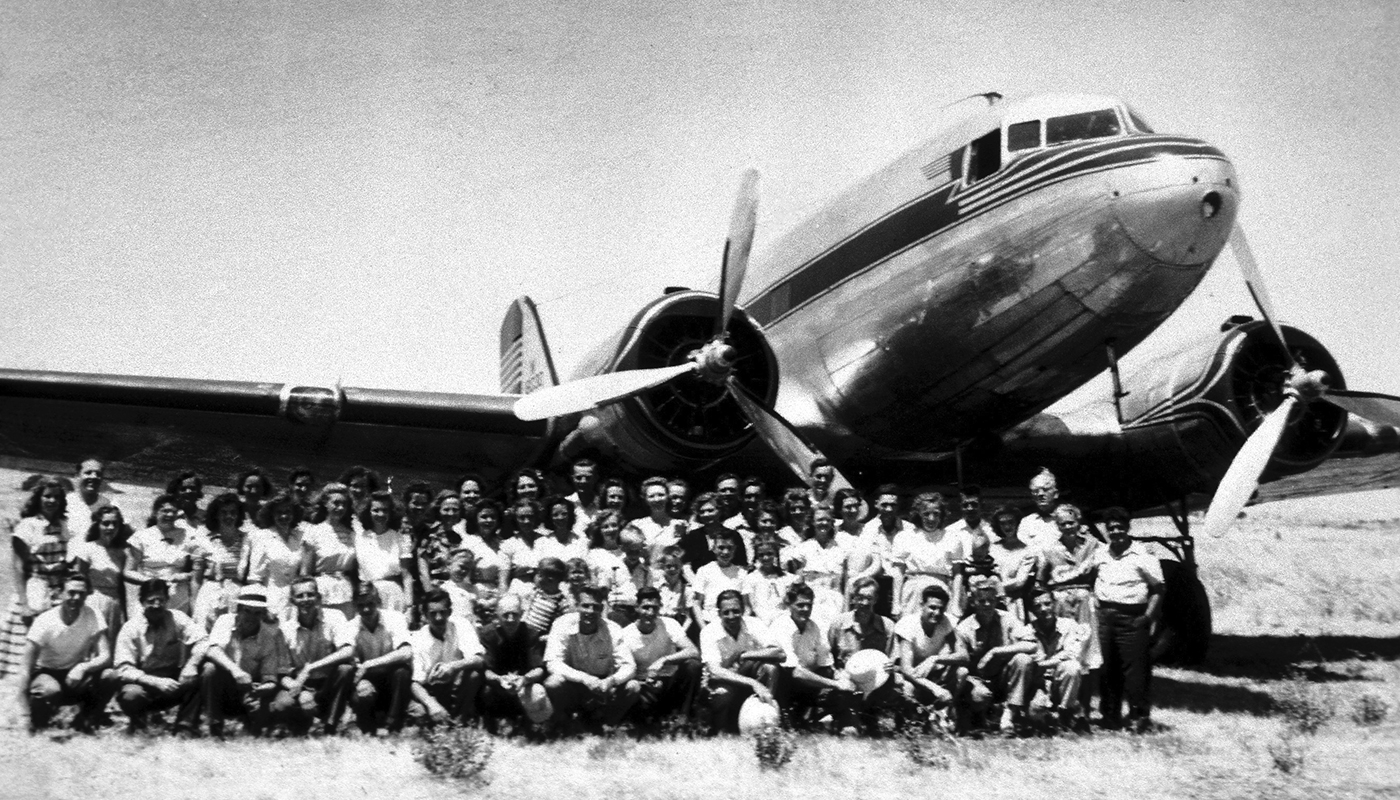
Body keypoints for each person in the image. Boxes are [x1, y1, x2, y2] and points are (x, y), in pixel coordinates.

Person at [1052, 507, 1163, 732]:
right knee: (1106, 669)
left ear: (1128, 528)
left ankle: (1138, 716)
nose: (1116, 532)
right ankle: (1110, 715)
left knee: (1135, 670)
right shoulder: (1101, 553)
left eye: (1120, 527)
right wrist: (1054, 581)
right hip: (1104, 617)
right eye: (1111, 528)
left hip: (1132, 617)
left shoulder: (1143, 555)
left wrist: (1148, 618)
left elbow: (1159, 589)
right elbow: (1082, 574)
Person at [109, 578, 206, 735]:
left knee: (201, 673)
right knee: (131, 694)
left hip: (172, 681)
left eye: (161, 600)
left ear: (167, 600)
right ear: (141, 602)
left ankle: (185, 727)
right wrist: (156, 682)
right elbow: (123, 668)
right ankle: (139, 725)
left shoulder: (177, 618)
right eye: (151, 601)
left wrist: (192, 665)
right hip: (144, 683)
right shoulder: (130, 628)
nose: (156, 605)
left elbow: (203, 640)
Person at [18, 573, 112, 732]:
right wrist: (23, 714)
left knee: (110, 676)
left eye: (81, 593)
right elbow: (25, 669)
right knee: (50, 690)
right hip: (46, 673)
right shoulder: (44, 621)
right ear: (60, 593)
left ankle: (87, 719)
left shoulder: (93, 615)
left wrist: (82, 667)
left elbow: (106, 656)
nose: (76, 597)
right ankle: (39, 722)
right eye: (71, 592)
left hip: (74, 675)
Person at [1, 478, 75, 679]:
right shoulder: (28, 526)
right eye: (47, 496)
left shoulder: (64, 525)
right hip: (35, 588)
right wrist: (24, 604)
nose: (52, 501)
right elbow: (18, 568)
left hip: (58, 590)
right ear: (38, 498)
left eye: (56, 497)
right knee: (28, 645)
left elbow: (69, 559)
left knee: (53, 640)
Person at [202, 586, 297, 737]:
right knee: (209, 669)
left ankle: (251, 724)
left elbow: (270, 677)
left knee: (274, 707)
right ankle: (214, 726)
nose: (251, 617)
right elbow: (212, 650)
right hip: (226, 683)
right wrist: (236, 671)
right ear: (238, 609)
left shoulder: (268, 638)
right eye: (247, 611)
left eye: (257, 613)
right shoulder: (225, 621)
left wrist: (262, 689)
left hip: (250, 689)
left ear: (263, 615)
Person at [542, 585, 638, 731]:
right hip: (574, 683)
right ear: (576, 606)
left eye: (596, 607)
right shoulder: (561, 624)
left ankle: (607, 724)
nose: (590, 612)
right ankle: (566, 723)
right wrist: (584, 678)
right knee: (553, 682)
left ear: (601, 608)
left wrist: (611, 681)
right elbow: (552, 663)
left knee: (633, 687)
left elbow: (629, 666)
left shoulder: (613, 629)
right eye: (585, 606)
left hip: (602, 685)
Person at [767, 583, 857, 731]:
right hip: (785, 685)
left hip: (808, 683)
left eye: (809, 605)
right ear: (789, 604)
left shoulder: (814, 627)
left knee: (841, 691)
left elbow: (826, 665)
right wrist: (834, 684)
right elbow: (795, 672)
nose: (806, 610)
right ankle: (789, 720)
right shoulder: (781, 626)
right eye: (800, 605)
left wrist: (841, 678)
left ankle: (811, 719)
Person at [956, 581, 1037, 734]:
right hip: (977, 680)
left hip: (1003, 677)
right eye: (981, 601)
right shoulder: (964, 628)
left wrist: (995, 651)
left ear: (996, 601)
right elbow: (961, 662)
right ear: (973, 602)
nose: (987, 604)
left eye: (991, 600)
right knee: (979, 696)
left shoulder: (1007, 619)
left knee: (1023, 659)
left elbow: (1031, 645)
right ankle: (977, 715)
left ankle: (1009, 716)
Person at [700, 589, 784, 735]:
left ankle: (765, 724)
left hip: (748, 674)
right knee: (722, 694)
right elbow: (714, 671)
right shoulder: (709, 632)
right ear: (719, 613)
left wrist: (746, 655)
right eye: (726, 612)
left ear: (743, 610)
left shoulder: (754, 624)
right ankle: (721, 731)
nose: (731, 616)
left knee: (770, 668)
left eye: (736, 611)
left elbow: (780, 653)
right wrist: (753, 683)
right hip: (724, 680)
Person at [280, 577, 354, 735]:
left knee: (345, 669)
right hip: (302, 684)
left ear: (319, 597)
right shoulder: (286, 628)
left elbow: (348, 650)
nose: (305, 600)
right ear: (292, 600)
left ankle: (330, 725)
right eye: (300, 596)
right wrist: (298, 690)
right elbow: (281, 672)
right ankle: (303, 725)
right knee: (283, 704)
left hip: (329, 684)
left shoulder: (335, 617)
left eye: (310, 594)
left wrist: (312, 667)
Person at [620, 586, 701, 726]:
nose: (650, 613)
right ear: (637, 607)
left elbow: (693, 651)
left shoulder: (669, 624)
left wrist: (664, 659)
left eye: (655, 608)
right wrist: (645, 682)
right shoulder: (626, 635)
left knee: (692, 665)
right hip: (644, 684)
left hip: (670, 681)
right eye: (646, 607)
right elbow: (623, 670)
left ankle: (682, 719)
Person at [827, 576, 900, 733]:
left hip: (876, 681)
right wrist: (838, 675)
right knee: (850, 732)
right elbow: (828, 657)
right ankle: (846, 719)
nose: (865, 603)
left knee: (900, 686)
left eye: (869, 598)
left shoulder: (887, 626)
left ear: (876, 599)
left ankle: (875, 718)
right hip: (846, 682)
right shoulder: (838, 624)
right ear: (853, 599)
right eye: (860, 598)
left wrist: (891, 666)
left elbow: (893, 657)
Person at [339, 583, 413, 735]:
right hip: (367, 680)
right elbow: (348, 659)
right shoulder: (349, 627)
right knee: (362, 693)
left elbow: (406, 652)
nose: (366, 609)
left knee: (402, 672)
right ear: (354, 606)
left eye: (370, 604)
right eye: (361, 605)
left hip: (391, 679)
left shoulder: (395, 618)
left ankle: (392, 726)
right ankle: (366, 726)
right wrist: (362, 677)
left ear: (379, 601)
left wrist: (369, 664)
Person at [894, 584, 969, 732]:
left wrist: (935, 659)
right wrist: (935, 689)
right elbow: (907, 670)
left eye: (941, 609)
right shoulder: (907, 624)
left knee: (962, 672)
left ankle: (943, 712)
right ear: (922, 605)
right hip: (912, 678)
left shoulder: (946, 622)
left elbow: (964, 656)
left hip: (932, 672)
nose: (937, 613)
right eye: (932, 607)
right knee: (907, 688)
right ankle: (911, 719)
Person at [409, 588, 486, 725]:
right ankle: (441, 717)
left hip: (458, 687)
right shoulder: (418, 638)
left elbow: (479, 659)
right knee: (420, 714)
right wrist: (432, 704)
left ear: (449, 612)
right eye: (433, 614)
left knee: (474, 674)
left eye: (442, 612)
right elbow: (415, 683)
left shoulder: (461, 625)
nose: (438, 618)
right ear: (425, 616)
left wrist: (452, 666)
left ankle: (460, 720)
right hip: (433, 689)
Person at [477, 594, 548, 734]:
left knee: (537, 690)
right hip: (498, 684)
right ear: (497, 615)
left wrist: (525, 679)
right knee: (485, 690)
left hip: (523, 683)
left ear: (522, 614)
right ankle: (489, 725)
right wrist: (499, 679)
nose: (511, 619)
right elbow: (486, 670)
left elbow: (539, 669)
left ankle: (530, 725)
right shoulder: (488, 634)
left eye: (515, 614)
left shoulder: (531, 633)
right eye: (506, 615)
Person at [1021, 589, 1089, 731]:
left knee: (1072, 667)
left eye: (1047, 604)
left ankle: (1066, 713)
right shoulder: (1027, 630)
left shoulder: (1070, 625)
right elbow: (1031, 659)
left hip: (1061, 681)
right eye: (1038, 606)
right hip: (1039, 684)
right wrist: (1055, 660)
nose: (1043, 609)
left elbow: (1072, 653)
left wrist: (1045, 663)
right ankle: (1050, 715)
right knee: (1037, 710)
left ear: (1054, 604)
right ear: (1032, 610)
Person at [890, 492, 967, 619]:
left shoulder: (952, 538)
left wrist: (955, 603)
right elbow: (898, 572)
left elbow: (957, 574)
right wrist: (896, 603)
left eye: (936, 514)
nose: (931, 519)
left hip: (941, 591)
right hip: (913, 591)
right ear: (918, 514)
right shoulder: (905, 537)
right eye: (926, 514)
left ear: (941, 514)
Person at [68, 504, 135, 647]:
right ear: (97, 525)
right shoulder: (88, 548)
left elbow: (123, 587)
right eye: (106, 523)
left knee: (110, 646)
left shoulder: (123, 552)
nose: (110, 528)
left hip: (115, 605)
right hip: (93, 602)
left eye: (114, 524)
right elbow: (79, 580)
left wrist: (124, 612)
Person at [129, 494, 200, 617]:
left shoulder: (188, 535)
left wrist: (185, 576)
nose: (170, 515)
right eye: (165, 511)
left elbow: (198, 570)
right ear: (155, 512)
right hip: (150, 595)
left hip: (178, 596)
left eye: (173, 511)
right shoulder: (141, 536)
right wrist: (152, 581)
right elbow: (128, 571)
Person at [300, 483, 359, 620]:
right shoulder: (313, 532)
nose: (340, 508)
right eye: (336, 503)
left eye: (344, 504)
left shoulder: (351, 533)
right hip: (322, 589)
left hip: (346, 590)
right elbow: (305, 572)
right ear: (325, 503)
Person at [192, 492, 250, 630]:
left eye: (232, 512)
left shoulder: (247, 541)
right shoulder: (204, 540)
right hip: (210, 595)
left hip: (237, 595)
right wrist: (194, 605)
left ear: (239, 515)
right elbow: (196, 579)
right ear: (216, 515)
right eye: (223, 512)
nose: (228, 516)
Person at [786, 505, 848, 632]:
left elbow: (845, 584)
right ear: (812, 522)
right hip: (811, 601)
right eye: (820, 520)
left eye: (827, 520)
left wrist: (846, 610)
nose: (824, 523)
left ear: (832, 522)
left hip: (835, 600)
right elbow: (795, 581)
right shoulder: (802, 549)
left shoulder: (842, 550)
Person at [246, 492, 306, 618]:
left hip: (297, 601)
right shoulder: (262, 537)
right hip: (271, 600)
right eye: (279, 512)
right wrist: (261, 606)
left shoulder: (300, 537)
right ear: (271, 514)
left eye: (288, 511)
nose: (284, 516)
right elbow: (255, 578)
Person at [856, 485, 912, 617]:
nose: (889, 509)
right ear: (876, 504)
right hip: (878, 584)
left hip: (903, 584)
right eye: (885, 505)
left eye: (893, 505)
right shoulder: (868, 530)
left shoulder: (909, 529)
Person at [355, 491, 411, 614]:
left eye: (385, 510)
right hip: (367, 595)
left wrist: (410, 605)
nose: (381, 514)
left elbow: (406, 575)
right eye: (376, 510)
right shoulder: (358, 537)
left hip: (393, 595)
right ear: (368, 512)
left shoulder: (401, 538)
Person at [987, 504, 1035, 622]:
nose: (1007, 526)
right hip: (990, 602)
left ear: (1018, 523)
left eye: (1010, 522)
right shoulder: (991, 548)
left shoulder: (1027, 551)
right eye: (1002, 523)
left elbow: (1020, 582)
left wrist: (993, 589)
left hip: (1013, 603)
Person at [691, 529, 745, 624]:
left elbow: (746, 605)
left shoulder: (741, 573)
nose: (725, 552)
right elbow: (697, 604)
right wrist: (703, 628)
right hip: (710, 620)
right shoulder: (704, 571)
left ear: (735, 548)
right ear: (714, 548)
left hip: (734, 621)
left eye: (730, 548)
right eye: (721, 547)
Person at [741, 539, 794, 626]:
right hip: (760, 620)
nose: (766, 558)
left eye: (769, 554)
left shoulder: (787, 578)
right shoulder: (751, 578)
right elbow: (747, 605)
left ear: (775, 554)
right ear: (757, 556)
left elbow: (790, 602)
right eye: (761, 555)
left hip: (783, 620)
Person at [632, 476, 684, 561]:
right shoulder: (636, 525)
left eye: (661, 495)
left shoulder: (680, 525)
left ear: (668, 497)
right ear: (645, 499)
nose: (657, 499)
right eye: (651, 496)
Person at [517, 557, 570, 636]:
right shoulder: (536, 593)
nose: (541, 580)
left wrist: (548, 636)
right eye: (540, 576)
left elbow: (561, 623)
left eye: (549, 579)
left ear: (557, 580)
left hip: (540, 636)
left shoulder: (561, 601)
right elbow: (527, 610)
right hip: (525, 630)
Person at [1018, 468, 1062, 551]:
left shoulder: (1069, 519)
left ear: (1056, 494)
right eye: (1035, 491)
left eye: (1046, 490)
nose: (1040, 494)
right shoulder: (1027, 522)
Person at [564, 459, 601, 536]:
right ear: (572, 478)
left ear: (596, 478)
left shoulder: (602, 504)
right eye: (578, 477)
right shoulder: (565, 503)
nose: (583, 481)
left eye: (588, 478)